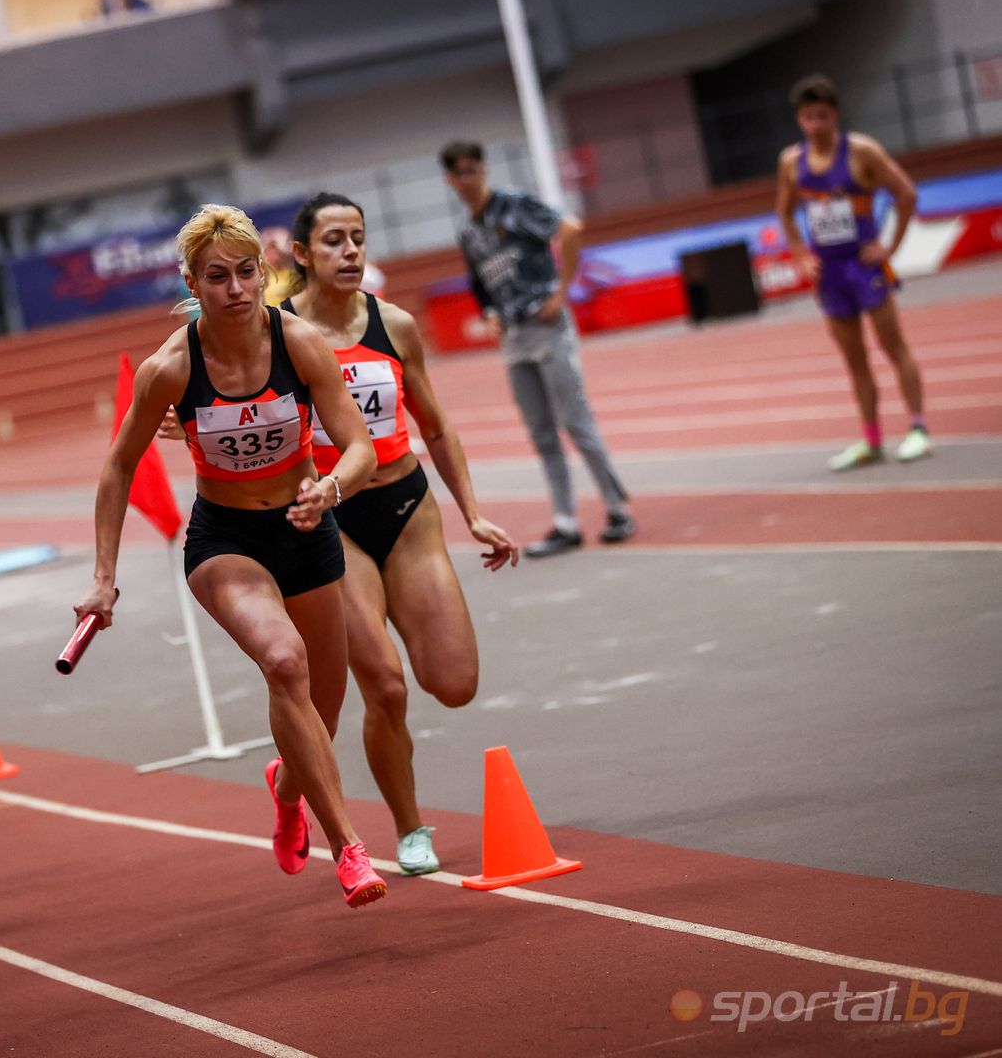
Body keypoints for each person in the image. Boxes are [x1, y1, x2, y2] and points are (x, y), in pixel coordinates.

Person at [75, 204, 388, 909]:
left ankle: (286, 788)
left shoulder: (299, 344)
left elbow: (361, 445)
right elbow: (116, 471)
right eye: (217, 277)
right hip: (226, 541)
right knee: (284, 662)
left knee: (321, 717)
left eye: (248, 272)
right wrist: (102, 579)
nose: (237, 289)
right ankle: (350, 850)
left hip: (307, 529)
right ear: (192, 280)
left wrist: (331, 487)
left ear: (264, 273)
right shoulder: (171, 368)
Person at [281, 191, 518, 874]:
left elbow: (436, 427)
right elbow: (219, 384)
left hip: (406, 509)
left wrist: (472, 513)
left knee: (454, 682)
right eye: (333, 240)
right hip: (330, 522)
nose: (350, 251)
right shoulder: (280, 336)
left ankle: (290, 777)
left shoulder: (394, 326)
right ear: (301, 254)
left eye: (357, 237)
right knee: (383, 686)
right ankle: (410, 829)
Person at [442, 140, 634, 558]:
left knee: (575, 420)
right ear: (449, 179)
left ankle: (617, 508)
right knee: (541, 433)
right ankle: (565, 521)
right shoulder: (468, 230)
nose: (467, 179)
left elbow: (570, 229)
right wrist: (490, 312)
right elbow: (479, 282)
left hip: (546, 326)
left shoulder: (514, 206)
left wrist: (561, 292)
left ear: (484, 170)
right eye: (458, 172)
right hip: (513, 337)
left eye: (473, 169)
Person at [776, 74, 929, 470]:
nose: (815, 125)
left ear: (835, 115)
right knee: (855, 362)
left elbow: (906, 193)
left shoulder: (862, 152)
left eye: (822, 117)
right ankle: (871, 440)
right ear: (799, 121)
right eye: (808, 118)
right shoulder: (792, 162)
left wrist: (890, 247)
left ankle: (917, 430)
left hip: (864, 267)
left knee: (894, 348)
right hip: (829, 274)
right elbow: (784, 210)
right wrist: (798, 253)